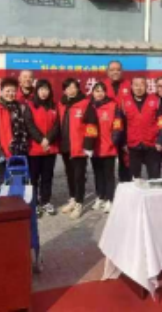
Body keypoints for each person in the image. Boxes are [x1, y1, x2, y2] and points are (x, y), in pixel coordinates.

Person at [59, 78, 99, 220]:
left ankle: (79, 203)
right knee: (69, 174)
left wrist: (88, 145)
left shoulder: (85, 104)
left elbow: (92, 125)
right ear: (64, 90)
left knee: (79, 176)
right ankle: (73, 198)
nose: (71, 90)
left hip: (80, 147)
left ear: (78, 89)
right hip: (65, 146)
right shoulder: (62, 104)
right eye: (68, 87)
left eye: (74, 87)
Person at [24, 80, 60, 217]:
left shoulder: (54, 106)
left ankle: (46, 201)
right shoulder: (30, 106)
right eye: (41, 89)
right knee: (34, 178)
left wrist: (48, 139)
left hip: (50, 148)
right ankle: (35, 203)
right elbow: (29, 124)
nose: (44, 92)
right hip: (34, 148)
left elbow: (57, 125)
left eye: (46, 89)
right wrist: (41, 139)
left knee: (47, 176)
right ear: (36, 91)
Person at [0, 77, 29, 188]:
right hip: (2, 153)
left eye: (13, 91)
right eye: (7, 91)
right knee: (3, 182)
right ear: (1, 91)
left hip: (18, 151)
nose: (10, 94)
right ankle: (3, 199)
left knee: (18, 182)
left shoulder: (19, 108)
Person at [122, 77, 162, 180]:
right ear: (131, 87)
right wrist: (123, 142)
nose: (139, 88)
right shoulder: (125, 102)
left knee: (154, 178)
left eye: (142, 85)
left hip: (152, 145)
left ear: (146, 86)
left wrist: (160, 141)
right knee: (134, 179)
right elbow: (122, 125)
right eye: (136, 85)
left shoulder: (155, 101)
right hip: (133, 145)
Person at [90, 82, 124, 214]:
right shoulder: (89, 106)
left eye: (101, 91)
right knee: (97, 174)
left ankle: (110, 199)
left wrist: (113, 141)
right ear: (92, 93)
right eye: (96, 91)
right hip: (94, 147)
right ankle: (100, 196)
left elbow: (118, 125)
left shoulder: (113, 106)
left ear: (105, 92)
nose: (99, 93)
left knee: (109, 175)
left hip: (109, 147)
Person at [104, 60, 133, 182]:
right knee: (107, 165)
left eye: (118, 69)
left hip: (126, 129)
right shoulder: (102, 86)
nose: (115, 72)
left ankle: (126, 187)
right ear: (107, 72)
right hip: (108, 130)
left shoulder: (130, 85)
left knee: (126, 162)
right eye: (112, 70)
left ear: (122, 71)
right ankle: (108, 191)